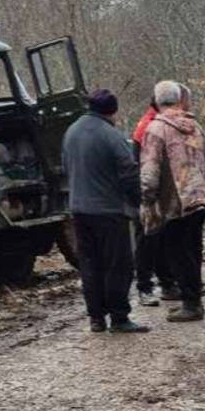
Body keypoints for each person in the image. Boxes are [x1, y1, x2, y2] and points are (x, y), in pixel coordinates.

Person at [62, 89, 150, 334]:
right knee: (117, 265)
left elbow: (65, 167)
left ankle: (96, 318)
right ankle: (120, 317)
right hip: (108, 212)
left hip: (79, 210)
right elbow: (129, 174)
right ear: (112, 111)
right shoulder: (111, 136)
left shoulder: (71, 131)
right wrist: (138, 202)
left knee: (90, 265)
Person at [140, 81, 205, 323]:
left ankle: (190, 305)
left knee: (177, 253)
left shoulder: (155, 130)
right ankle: (193, 301)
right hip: (199, 198)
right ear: (179, 98)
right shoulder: (194, 126)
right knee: (193, 251)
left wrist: (147, 199)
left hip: (174, 203)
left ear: (157, 100)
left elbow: (150, 171)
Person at [131, 96, 178, 307]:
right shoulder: (147, 126)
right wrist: (146, 197)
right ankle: (144, 287)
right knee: (146, 240)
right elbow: (140, 164)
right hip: (146, 192)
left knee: (161, 238)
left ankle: (168, 284)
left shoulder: (158, 123)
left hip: (159, 191)